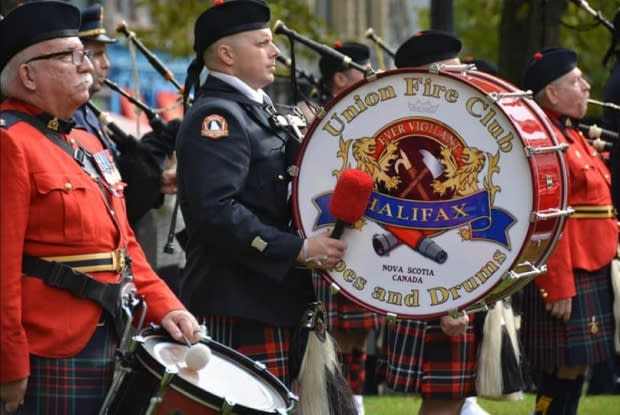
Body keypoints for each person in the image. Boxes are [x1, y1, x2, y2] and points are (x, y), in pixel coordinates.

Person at [0, 2, 202, 413]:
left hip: (114, 335)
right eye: (70, 56)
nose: (87, 66)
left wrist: (166, 305)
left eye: (85, 55)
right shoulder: (9, 143)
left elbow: (124, 245)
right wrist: (9, 361)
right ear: (28, 75)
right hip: (46, 349)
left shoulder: (88, 144)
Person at [175, 0, 352, 410]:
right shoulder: (217, 117)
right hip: (242, 300)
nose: (275, 52)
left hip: (274, 298)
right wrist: (297, 250)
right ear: (226, 55)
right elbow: (214, 212)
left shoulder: (257, 110)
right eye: (263, 43)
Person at [386, 29, 490, 415]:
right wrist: (448, 302)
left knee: (455, 396)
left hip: (460, 272)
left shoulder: (459, 125)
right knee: (443, 400)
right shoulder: (407, 134)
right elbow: (414, 223)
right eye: (454, 72)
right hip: (427, 277)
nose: (464, 79)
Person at [520, 47, 617, 415]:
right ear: (553, 93)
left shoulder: (571, 135)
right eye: (576, 81)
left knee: (575, 367)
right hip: (569, 270)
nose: (587, 85)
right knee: (563, 368)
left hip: (591, 263)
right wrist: (556, 282)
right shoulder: (548, 141)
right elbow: (549, 216)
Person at [313, 41, 382, 415]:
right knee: (336, 336)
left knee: (358, 335)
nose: (370, 76)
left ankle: (355, 398)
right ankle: (338, 401)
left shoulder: (373, 116)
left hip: (368, 233)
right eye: (362, 70)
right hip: (332, 230)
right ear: (339, 77)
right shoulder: (317, 117)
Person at [74, 3, 180, 229]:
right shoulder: (70, 118)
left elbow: (114, 181)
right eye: (97, 55)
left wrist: (155, 180)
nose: (106, 64)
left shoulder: (89, 114)